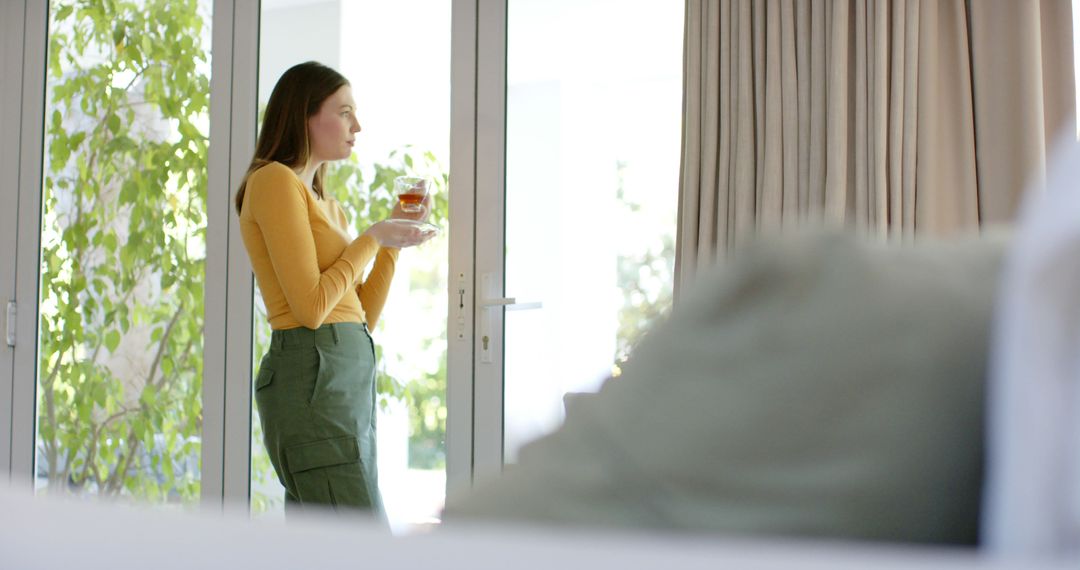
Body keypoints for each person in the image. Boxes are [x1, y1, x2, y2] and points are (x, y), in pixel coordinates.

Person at [235, 61, 432, 521]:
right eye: (344, 112)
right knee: (359, 544)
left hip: (341, 385)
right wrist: (373, 238)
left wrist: (392, 243)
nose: (356, 126)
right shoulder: (273, 181)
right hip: (314, 383)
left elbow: (359, 316)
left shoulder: (330, 206)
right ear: (305, 114)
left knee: (326, 547)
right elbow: (310, 307)